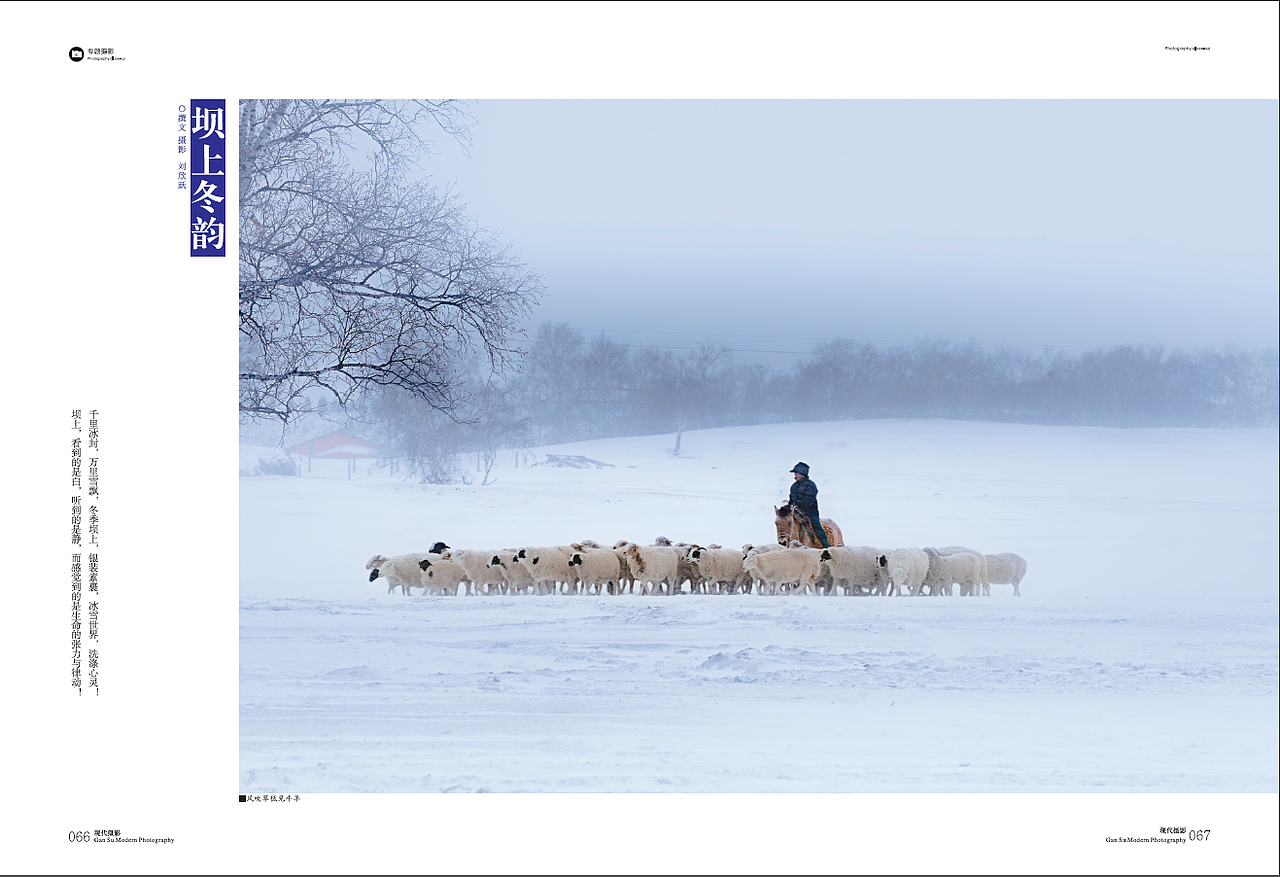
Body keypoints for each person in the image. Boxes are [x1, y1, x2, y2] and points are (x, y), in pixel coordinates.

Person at [788, 462, 830, 548]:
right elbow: (791, 500)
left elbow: (808, 500)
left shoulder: (811, 485)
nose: (795, 475)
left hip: (810, 512)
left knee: (816, 526)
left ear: (802, 473)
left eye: (796, 473)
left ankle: (827, 546)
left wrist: (798, 506)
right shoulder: (794, 486)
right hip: (797, 510)